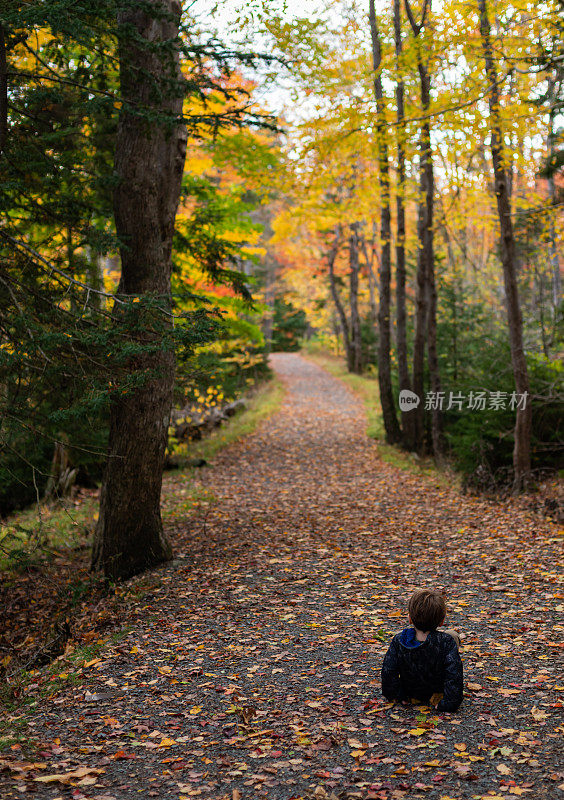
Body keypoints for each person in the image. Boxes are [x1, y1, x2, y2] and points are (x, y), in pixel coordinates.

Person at [381, 588, 463, 712]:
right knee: (452, 635)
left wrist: (396, 695)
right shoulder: (446, 642)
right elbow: (454, 675)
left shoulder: (399, 640)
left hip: (410, 693)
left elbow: (388, 671)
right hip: (437, 690)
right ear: (441, 621)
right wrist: (449, 703)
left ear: (410, 618)